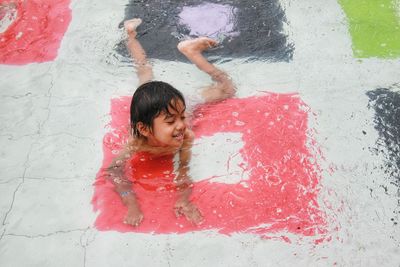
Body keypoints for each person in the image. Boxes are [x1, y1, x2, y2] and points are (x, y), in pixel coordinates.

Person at [106, 18, 235, 227]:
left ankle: (192, 53)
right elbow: (113, 171)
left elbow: (183, 172)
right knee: (144, 71)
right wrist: (131, 204)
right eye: (171, 122)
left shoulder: (185, 135)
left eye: (182, 119)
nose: (181, 125)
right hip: (157, 105)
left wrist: (184, 199)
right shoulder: (137, 142)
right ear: (144, 129)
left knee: (228, 88)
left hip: (181, 101)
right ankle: (130, 35)